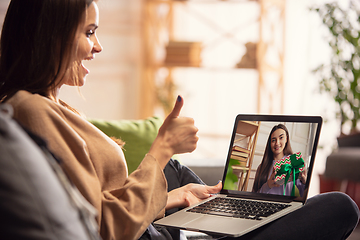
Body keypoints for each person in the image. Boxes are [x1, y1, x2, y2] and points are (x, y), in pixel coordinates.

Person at [0, 1, 358, 240]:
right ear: (53, 37)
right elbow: (104, 225)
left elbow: (103, 200)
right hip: (147, 234)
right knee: (339, 206)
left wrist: (173, 196)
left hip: (151, 220)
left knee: (184, 177)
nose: (99, 46)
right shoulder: (30, 110)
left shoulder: (51, 105)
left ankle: (233, 222)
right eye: (90, 32)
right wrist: (161, 148)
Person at [252, 124, 306, 197]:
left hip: (286, 207)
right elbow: (254, 196)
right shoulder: (262, 167)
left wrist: (304, 181)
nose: (277, 143)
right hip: (266, 206)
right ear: (270, 143)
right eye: (273, 140)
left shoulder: (293, 162)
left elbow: (303, 196)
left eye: (281, 138)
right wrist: (267, 186)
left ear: (286, 139)